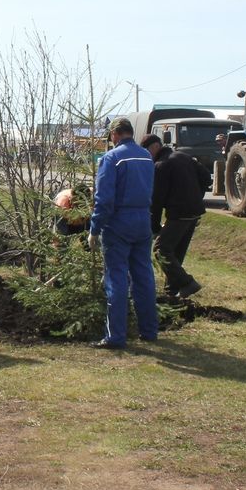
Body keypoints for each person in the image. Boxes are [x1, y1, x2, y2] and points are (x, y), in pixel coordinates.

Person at [87, 117, 157, 349]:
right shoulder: (146, 156)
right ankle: (149, 331)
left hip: (118, 223)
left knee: (116, 278)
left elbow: (104, 199)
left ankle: (116, 336)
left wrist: (94, 229)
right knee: (144, 277)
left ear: (115, 134)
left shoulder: (112, 158)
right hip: (142, 221)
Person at [147, 136, 210, 301]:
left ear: (155, 147)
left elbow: (157, 200)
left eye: (147, 151)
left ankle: (187, 283)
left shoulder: (160, 166)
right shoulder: (183, 156)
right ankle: (171, 292)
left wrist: (154, 226)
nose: (147, 156)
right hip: (194, 211)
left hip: (179, 213)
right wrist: (196, 196)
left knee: (161, 250)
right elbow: (206, 177)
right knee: (176, 251)